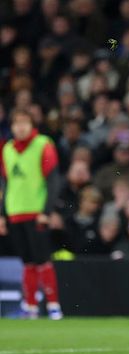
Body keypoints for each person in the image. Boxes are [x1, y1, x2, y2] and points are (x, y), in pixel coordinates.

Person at [0, 109, 62, 319]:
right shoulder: (7, 149)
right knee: (27, 262)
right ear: (11, 126)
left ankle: (53, 305)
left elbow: (52, 180)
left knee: (42, 259)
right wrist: (2, 214)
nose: (20, 127)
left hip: (36, 212)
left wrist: (46, 210)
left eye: (24, 122)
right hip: (15, 212)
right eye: (16, 123)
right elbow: (5, 184)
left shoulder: (43, 144)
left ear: (32, 125)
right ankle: (31, 306)